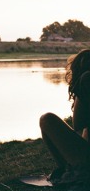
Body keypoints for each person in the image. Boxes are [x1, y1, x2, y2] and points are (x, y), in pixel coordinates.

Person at [40, 49, 90, 180]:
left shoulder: (86, 78)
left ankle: (71, 171)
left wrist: (79, 88)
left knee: (46, 119)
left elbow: (77, 123)